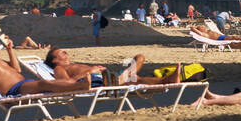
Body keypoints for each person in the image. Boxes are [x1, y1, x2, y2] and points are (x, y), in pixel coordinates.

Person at [0, 31, 91, 98]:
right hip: (15, 90)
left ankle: (79, 83)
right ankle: (80, 84)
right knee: (44, 83)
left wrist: (10, 50)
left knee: (45, 83)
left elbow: (17, 70)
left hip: (24, 84)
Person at [44, 47, 183, 86]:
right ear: (55, 60)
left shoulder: (74, 64)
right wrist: (91, 71)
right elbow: (67, 83)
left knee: (140, 58)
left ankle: (125, 75)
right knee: (135, 79)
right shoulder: (58, 69)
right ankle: (166, 80)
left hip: (110, 76)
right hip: (100, 80)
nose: (66, 52)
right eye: (62, 52)